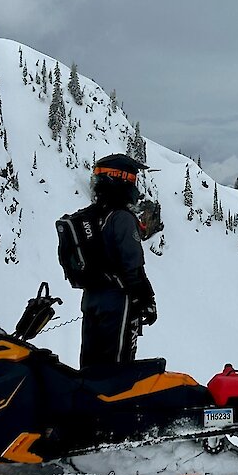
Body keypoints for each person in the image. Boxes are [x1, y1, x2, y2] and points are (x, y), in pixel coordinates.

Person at [79, 154, 157, 370]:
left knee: (90, 366)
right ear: (122, 179)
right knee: (118, 368)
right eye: (132, 179)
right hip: (119, 301)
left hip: (92, 299)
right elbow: (132, 264)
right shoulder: (121, 218)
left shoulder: (89, 217)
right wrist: (146, 299)